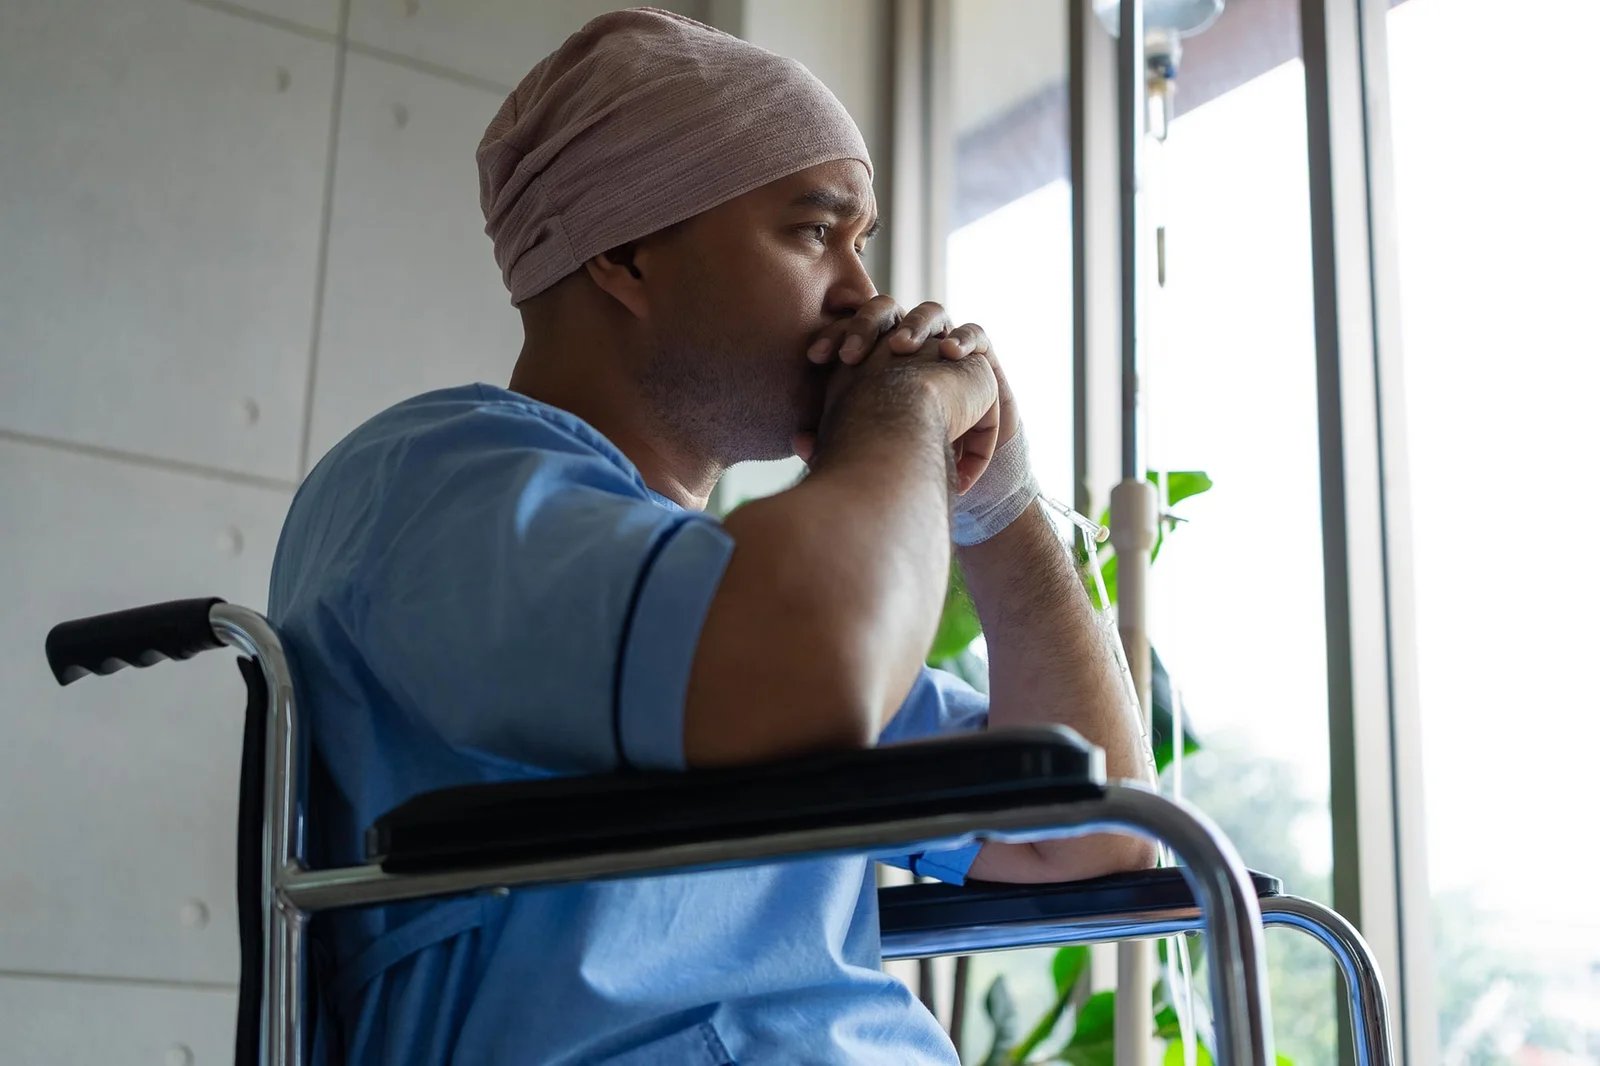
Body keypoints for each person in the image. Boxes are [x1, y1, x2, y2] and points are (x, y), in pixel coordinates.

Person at [269, 8, 1155, 1064]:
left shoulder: (711, 591)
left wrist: (998, 509)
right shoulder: (438, 485)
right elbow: (814, 673)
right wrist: (906, 419)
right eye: (814, 231)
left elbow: (1094, 832)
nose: (864, 294)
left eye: (863, 242)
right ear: (627, 253)